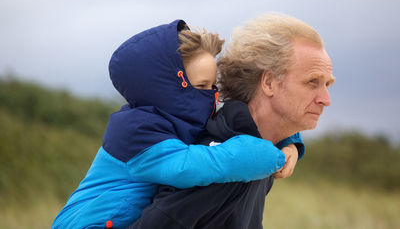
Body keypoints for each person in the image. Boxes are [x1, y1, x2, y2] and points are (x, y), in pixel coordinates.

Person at [52, 20, 302, 229]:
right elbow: (189, 166)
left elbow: (245, 116)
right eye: (202, 86)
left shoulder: (179, 117)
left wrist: (289, 142)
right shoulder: (135, 131)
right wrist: (268, 156)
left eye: (213, 86)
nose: (212, 95)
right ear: (169, 88)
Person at [130, 13, 334, 228]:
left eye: (327, 84)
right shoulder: (225, 163)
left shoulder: (259, 149)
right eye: (312, 81)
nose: (326, 100)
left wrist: (290, 142)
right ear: (269, 82)